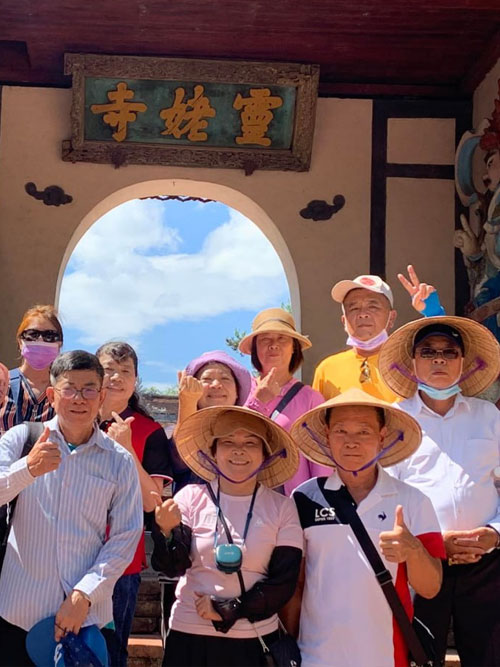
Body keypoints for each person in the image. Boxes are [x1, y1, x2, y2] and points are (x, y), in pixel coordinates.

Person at [0, 350, 143, 667]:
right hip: (16, 615)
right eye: (69, 388)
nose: (80, 398)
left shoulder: (118, 460)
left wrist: (85, 594)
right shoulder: (22, 438)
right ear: (52, 395)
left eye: (89, 388)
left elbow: (126, 536)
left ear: (102, 395)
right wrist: (29, 470)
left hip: (86, 620)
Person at [284, 388, 445, 667]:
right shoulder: (302, 498)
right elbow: (295, 586)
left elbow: (431, 588)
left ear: (382, 436)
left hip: (387, 657)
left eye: (364, 432)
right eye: (341, 432)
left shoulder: (413, 501)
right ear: (327, 435)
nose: (351, 442)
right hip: (315, 658)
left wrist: (414, 550)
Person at [379, 316, 500, 666]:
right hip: (421, 563)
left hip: (486, 564)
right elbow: (386, 496)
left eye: (450, 352)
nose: (439, 360)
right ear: (413, 362)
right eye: (428, 351)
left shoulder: (489, 417)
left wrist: (494, 534)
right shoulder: (396, 421)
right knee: (420, 655)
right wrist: (429, 542)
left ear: (463, 362)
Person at [151, 406, 303, 667]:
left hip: (254, 640)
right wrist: (165, 532)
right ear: (213, 451)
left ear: (265, 454)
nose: (238, 450)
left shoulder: (283, 507)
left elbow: (284, 582)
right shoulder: (189, 498)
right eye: (228, 442)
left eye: (251, 443)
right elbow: (171, 567)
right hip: (189, 635)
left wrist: (230, 608)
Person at [96, 341, 173, 667]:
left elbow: (152, 503)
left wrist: (126, 448)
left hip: (119, 563)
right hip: (65, 554)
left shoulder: (149, 431)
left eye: (124, 371)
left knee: (110, 653)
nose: (115, 377)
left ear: (136, 379)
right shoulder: (74, 420)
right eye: (108, 369)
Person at [312, 267, 444, 402]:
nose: (363, 314)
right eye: (354, 308)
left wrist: (434, 314)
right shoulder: (326, 369)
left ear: (391, 318)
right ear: (344, 320)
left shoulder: (411, 365)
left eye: (373, 306)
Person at [239, 307, 330, 494]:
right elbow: (234, 435)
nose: (274, 345)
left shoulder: (311, 398)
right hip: (245, 498)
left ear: (294, 347)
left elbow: (321, 462)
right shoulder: (241, 390)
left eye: (282, 338)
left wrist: (320, 502)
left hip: (295, 503)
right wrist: (258, 401)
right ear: (255, 349)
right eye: (265, 340)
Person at [171, 350, 252, 491]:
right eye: (207, 379)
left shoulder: (255, 432)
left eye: (225, 379)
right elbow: (180, 459)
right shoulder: (172, 431)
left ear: (237, 391)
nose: (216, 384)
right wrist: (187, 402)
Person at [0, 305, 64, 434]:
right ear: (20, 341)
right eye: (32, 334)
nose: (40, 340)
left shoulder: (65, 390)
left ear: (59, 343)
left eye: (49, 336)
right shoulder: (3, 383)